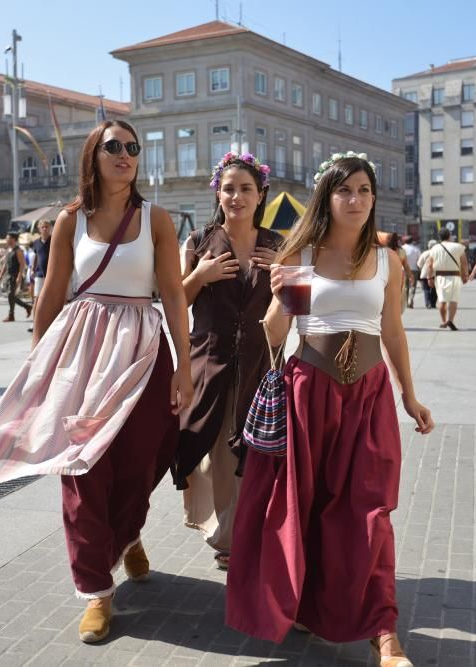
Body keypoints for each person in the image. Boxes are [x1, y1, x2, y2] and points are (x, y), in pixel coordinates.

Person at [0, 120, 193, 645]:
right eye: (114, 147)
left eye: (132, 148)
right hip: (81, 355)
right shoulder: (71, 220)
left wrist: (185, 365)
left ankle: (127, 534)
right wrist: (39, 367)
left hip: (143, 351)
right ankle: (95, 591)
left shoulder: (156, 220)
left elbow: (174, 294)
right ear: (93, 155)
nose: (126, 155)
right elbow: (51, 293)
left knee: (143, 460)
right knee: (82, 471)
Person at [226, 154, 433, 667]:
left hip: (368, 396)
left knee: (371, 512)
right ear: (328, 197)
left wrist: (410, 393)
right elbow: (276, 335)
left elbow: (392, 330)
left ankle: (384, 633)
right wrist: (274, 298)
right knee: (310, 508)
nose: (357, 200)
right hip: (309, 392)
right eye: (346, 191)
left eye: (365, 190)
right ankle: (304, 603)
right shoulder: (302, 257)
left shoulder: (389, 260)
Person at [174, 151, 280, 572]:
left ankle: (241, 535)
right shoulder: (198, 242)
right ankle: (223, 530)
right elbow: (176, 302)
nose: (236, 196)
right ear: (217, 193)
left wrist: (284, 274)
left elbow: (297, 308)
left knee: (252, 453)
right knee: (213, 451)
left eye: (245, 189)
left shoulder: (278, 245)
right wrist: (199, 276)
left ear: (260, 195)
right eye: (228, 188)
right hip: (209, 361)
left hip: (261, 363)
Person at [427, 228, 468, 330]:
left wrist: (429, 278)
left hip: (440, 277)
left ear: (439, 237)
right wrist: (465, 275)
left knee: (442, 300)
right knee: (454, 300)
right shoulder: (458, 246)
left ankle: (444, 321)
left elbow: (429, 264)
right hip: (455, 276)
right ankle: (450, 320)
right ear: (449, 235)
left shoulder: (435, 248)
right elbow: (464, 263)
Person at [0, 232, 32, 322]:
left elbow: (22, 264)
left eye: (8, 238)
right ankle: (27, 307)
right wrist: (1, 275)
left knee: (10, 295)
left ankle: (11, 315)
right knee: (11, 295)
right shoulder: (8, 250)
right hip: (8, 275)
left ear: (13, 239)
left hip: (14, 275)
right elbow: (5, 264)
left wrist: (19, 277)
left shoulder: (18, 250)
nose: (6, 240)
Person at [31, 220, 52, 307]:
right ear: (39, 229)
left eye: (47, 227)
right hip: (39, 273)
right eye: (42, 227)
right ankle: (36, 320)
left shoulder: (54, 240)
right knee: (37, 298)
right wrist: (32, 269)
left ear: (50, 228)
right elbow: (35, 256)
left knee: (51, 298)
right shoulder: (36, 242)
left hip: (52, 274)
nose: (45, 229)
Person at [417, 239, 439, 309]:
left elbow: (419, 264)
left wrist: (422, 268)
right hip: (436, 273)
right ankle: (433, 303)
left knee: (426, 289)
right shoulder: (439, 253)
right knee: (435, 289)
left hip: (425, 273)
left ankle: (428, 303)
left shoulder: (425, 253)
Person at [402, 236, 421, 308]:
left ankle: (406, 302)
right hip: (414, 270)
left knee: (405, 286)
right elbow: (419, 261)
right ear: (412, 241)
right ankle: (411, 299)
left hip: (404, 270)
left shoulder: (402, 249)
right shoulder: (416, 249)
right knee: (413, 286)